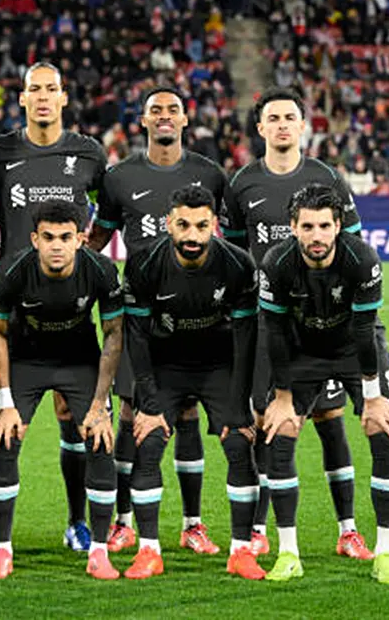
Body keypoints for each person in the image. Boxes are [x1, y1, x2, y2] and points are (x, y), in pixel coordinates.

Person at [221, 86, 373, 559]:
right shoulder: (241, 183)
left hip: (326, 325)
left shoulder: (328, 178)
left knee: (330, 421)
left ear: (303, 125)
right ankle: (263, 529)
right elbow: (232, 252)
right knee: (269, 422)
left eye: (291, 116)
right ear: (261, 128)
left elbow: (352, 250)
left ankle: (348, 530)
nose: (283, 124)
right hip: (270, 324)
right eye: (274, 118)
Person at [87, 87, 228, 555]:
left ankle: (192, 524)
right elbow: (99, 237)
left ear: (186, 119)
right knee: (132, 414)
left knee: (187, 415)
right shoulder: (119, 177)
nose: (164, 117)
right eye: (155, 111)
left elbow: (228, 237)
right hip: (142, 316)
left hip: (198, 316)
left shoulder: (209, 174)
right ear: (142, 121)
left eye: (172, 110)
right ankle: (124, 521)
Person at [0, 61, 108, 554]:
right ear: (23, 98)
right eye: (36, 90)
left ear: (64, 97)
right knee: (6, 419)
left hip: (72, 306)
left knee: (77, 419)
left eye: (53, 89)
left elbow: (109, 209)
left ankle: (79, 521)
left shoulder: (88, 153)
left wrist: (88, 257)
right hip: (16, 307)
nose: (44, 97)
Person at [259, 184, 389, 584]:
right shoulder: (276, 262)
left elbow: (362, 329)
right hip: (303, 352)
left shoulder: (362, 259)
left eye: (325, 225)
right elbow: (274, 331)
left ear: (339, 226)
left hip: (356, 351)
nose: (317, 235)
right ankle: (288, 553)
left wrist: (372, 398)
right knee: (281, 432)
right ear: (293, 227)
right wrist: (284, 397)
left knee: (383, 429)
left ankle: (385, 553)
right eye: (308, 226)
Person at [122, 185, 263, 580]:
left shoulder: (237, 264)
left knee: (238, 441)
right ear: (169, 222)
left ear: (214, 226)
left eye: (202, 226)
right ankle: (148, 551)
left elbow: (246, 336)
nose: (192, 236)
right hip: (165, 365)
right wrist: (148, 403)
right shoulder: (143, 264)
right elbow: (136, 335)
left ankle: (240, 551)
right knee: (148, 442)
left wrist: (239, 403)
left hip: (219, 366)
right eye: (182, 224)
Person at [0, 200, 122, 580]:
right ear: (35, 239)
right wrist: (6, 402)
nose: (56, 245)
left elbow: (113, 336)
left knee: (99, 438)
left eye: (65, 237)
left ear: (80, 239)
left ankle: (99, 550)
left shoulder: (102, 270)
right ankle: (1, 550)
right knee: (3, 439)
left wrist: (99, 404)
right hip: (26, 358)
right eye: (48, 238)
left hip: (79, 361)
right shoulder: (13, 269)